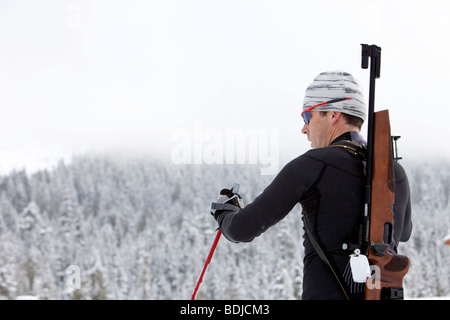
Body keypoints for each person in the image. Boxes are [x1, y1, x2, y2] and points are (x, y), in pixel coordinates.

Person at [210, 70, 412, 300]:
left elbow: (242, 229)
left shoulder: (312, 165)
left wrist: (225, 213)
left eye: (308, 116)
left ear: (333, 114)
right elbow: (404, 232)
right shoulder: (394, 172)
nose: (304, 128)